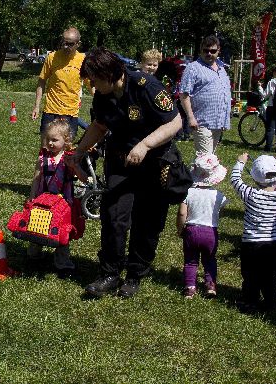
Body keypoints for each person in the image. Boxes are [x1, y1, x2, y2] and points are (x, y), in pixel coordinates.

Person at [69, 47, 182, 299]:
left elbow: (175, 123)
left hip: (154, 162)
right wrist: (79, 151)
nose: (93, 85)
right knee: (114, 216)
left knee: (147, 220)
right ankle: (109, 273)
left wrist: (145, 145)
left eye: (95, 79)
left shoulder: (146, 86)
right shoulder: (103, 95)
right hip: (120, 162)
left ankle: (135, 275)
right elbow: (99, 125)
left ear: (110, 73)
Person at [230, 153, 276, 313]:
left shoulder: (251, 194)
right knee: (271, 274)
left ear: (255, 178)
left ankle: (250, 300)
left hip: (251, 243)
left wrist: (240, 163)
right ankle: (271, 299)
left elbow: (235, 180)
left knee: (250, 274)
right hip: (272, 243)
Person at [27, 119, 87, 275]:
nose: (51, 143)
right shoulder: (43, 158)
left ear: (66, 140)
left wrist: (74, 166)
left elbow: (84, 178)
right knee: (37, 227)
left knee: (62, 232)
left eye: (55, 140)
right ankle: (34, 254)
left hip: (63, 203)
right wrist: (32, 197)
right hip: (43, 202)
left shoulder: (69, 158)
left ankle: (62, 261)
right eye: (48, 139)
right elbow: (37, 178)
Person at [176, 153, 227, 299]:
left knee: (191, 261)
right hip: (210, 231)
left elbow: (181, 214)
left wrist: (180, 229)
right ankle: (210, 285)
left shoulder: (188, 193)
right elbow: (220, 212)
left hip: (191, 231)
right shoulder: (219, 195)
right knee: (210, 259)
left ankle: (190, 288)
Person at [179, 35, 231, 155]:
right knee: (205, 162)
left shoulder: (222, 68)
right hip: (201, 122)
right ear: (201, 50)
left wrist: (225, 119)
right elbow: (184, 95)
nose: (209, 53)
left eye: (213, 51)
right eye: (205, 50)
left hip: (217, 122)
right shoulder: (193, 68)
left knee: (208, 159)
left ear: (219, 50)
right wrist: (190, 117)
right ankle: (197, 174)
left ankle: (194, 174)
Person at [32, 27, 86, 138]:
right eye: (64, 43)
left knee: (67, 149)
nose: (66, 47)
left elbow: (92, 85)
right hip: (50, 111)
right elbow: (42, 81)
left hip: (71, 113)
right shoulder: (52, 57)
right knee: (46, 147)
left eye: (70, 44)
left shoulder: (83, 60)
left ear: (78, 44)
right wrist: (37, 106)